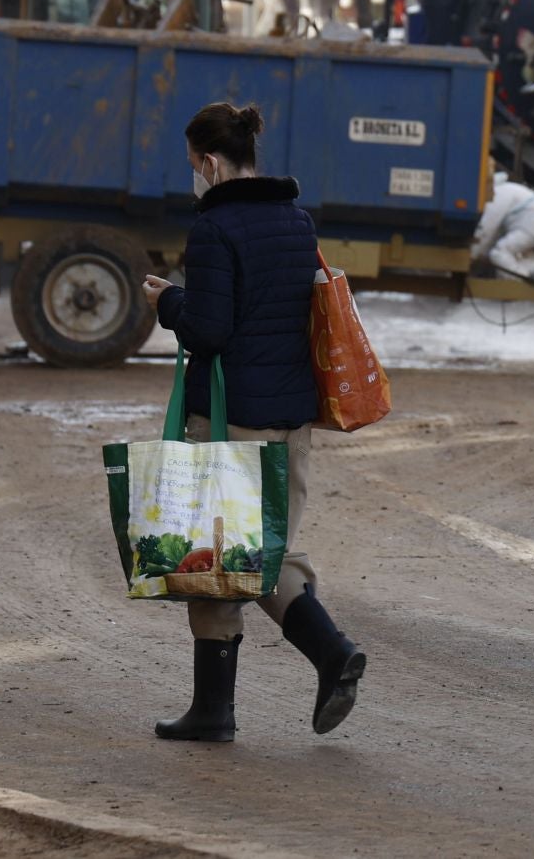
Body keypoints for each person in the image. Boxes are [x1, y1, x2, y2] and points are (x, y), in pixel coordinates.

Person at [139, 102, 366, 743]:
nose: (194, 178)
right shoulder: (297, 222)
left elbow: (211, 329)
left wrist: (168, 301)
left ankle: (317, 658)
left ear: (210, 162)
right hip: (292, 420)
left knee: (220, 563)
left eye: (193, 166)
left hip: (233, 424)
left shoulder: (215, 230)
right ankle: (225, 705)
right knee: (268, 554)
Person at [472, 170, 534, 280]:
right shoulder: (507, 188)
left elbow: (486, 230)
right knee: (502, 251)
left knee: (499, 252)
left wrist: (471, 256)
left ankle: (522, 283)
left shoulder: (497, 194)